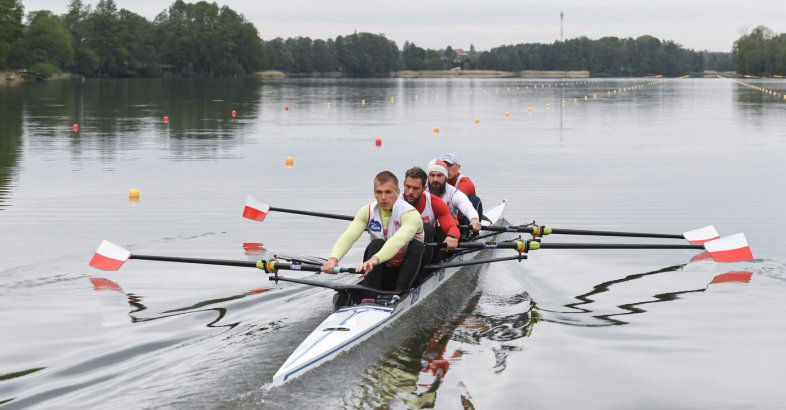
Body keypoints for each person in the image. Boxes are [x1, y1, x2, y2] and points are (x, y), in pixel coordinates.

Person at [322, 171, 425, 306]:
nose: (383, 197)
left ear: (397, 192)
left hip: (408, 271)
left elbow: (398, 241)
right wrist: (333, 259)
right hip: (380, 268)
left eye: (388, 192)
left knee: (416, 246)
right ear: (374, 193)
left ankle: (400, 293)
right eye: (379, 192)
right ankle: (370, 296)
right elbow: (348, 237)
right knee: (376, 243)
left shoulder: (410, 214)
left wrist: (374, 259)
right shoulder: (367, 211)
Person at [402, 167, 460, 266]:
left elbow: (452, 227)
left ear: (424, 188)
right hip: (402, 250)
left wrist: (451, 237)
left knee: (426, 228)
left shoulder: (435, 203)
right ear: (404, 184)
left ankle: (426, 269)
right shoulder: (394, 203)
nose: (410, 192)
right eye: (408, 187)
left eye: (416, 188)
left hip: (428, 251)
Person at [426, 159, 481, 236]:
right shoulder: (421, 191)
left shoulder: (453, 192)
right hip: (425, 233)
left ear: (446, 176)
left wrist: (474, 219)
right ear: (428, 176)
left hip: (448, 232)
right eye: (432, 175)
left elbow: (466, 206)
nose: (435, 179)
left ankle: (469, 236)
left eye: (439, 175)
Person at [440, 153, 483, 219]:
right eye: (444, 166)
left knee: (474, 200)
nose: (447, 169)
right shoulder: (436, 179)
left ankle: (471, 227)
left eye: (450, 165)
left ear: (458, 167)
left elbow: (454, 199)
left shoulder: (465, 182)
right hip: (447, 215)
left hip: (463, 217)